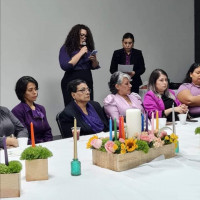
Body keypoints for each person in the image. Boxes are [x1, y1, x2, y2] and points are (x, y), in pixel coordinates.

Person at [59, 24, 100, 106]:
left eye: (86, 36)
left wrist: (94, 60)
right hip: (71, 80)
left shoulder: (87, 48)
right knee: (72, 108)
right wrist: (81, 53)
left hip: (87, 79)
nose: (84, 37)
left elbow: (94, 66)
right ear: (75, 35)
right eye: (81, 35)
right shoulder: (66, 48)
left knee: (88, 107)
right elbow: (66, 66)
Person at [12, 76, 53, 144]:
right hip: (30, 147)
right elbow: (23, 136)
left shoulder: (41, 108)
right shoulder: (17, 111)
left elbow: (47, 131)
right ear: (22, 93)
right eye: (30, 90)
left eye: (35, 89)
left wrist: (48, 144)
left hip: (45, 145)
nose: (35, 92)